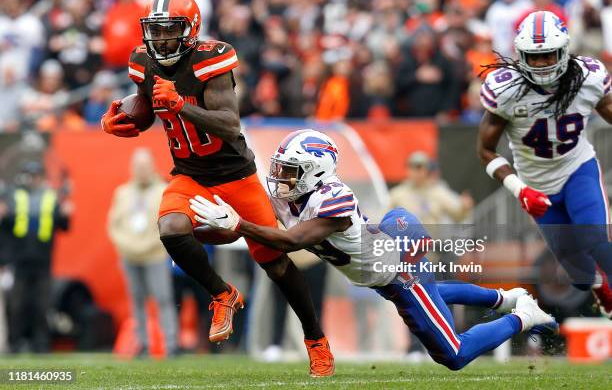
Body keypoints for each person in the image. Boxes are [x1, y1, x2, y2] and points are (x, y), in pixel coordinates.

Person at [100, 0, 333, 376]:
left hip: (235, 175)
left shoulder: (211, 59)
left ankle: (316, 340)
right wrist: (123, 120)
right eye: (154, 32)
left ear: (190, 31)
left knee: (275, 265)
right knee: (170, 229)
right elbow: (145, 109)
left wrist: (181, 106)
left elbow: (229, 124)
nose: (159, 41)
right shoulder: (144, 62)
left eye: (168, 31)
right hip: (191, 175)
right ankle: (223, 294)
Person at [190, 129, 558, 371]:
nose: (281, 178)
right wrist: (200, 233)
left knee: (452, 354)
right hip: (383, 258)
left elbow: (293, 241)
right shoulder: (290, 196)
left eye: (290, 171)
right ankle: (505, 299)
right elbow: (259, 232)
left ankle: (523, 314)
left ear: (315, 172)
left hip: (399, 264)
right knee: (433, 292)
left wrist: (236, 223)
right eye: (281, 169)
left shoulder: (332, 199)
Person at [477, 10, 612, 318]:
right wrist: (519, 189)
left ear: (563, 50)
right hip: (535, 186)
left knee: (595, 241)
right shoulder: (506, 89)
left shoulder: (588, 78)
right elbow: (485, 151)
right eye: (532, 57)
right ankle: (598, 286)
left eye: (548, 55)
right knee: (578, 276)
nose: (540, 64)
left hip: (577, 168)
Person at [107, 148, 178, 358]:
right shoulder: (123, 192)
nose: (141, 170)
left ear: (152, 166)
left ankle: (170, 343)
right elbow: (113, 225)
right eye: (138, 166)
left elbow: (168, 224)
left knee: (163, 298)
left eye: (145, 166)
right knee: (136, 300)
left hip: (154, 254)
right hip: (129, 255)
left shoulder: (163, 190)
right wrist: (127, 245)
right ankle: (143, 343)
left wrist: (148, 244)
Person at [0, 161, 72, 352]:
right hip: (19, 260)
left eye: (37, 175)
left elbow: (63, 226)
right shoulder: (13, 196)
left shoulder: (50, 197)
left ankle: (41, 344)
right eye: (30, 175)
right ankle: (16, 343)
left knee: (42, 305)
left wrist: (66, 214)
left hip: (43, 260)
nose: (33, 179)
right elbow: (6, 227)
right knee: (17, 305)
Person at [388, 151, 473, 225]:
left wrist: (464, 208)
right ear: (407, 170)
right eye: (413, 167)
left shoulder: (438, 192)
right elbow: (384, 220)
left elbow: (457, 216)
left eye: (420, 167)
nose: (417, 172)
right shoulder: (397, 194)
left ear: (427, 170)